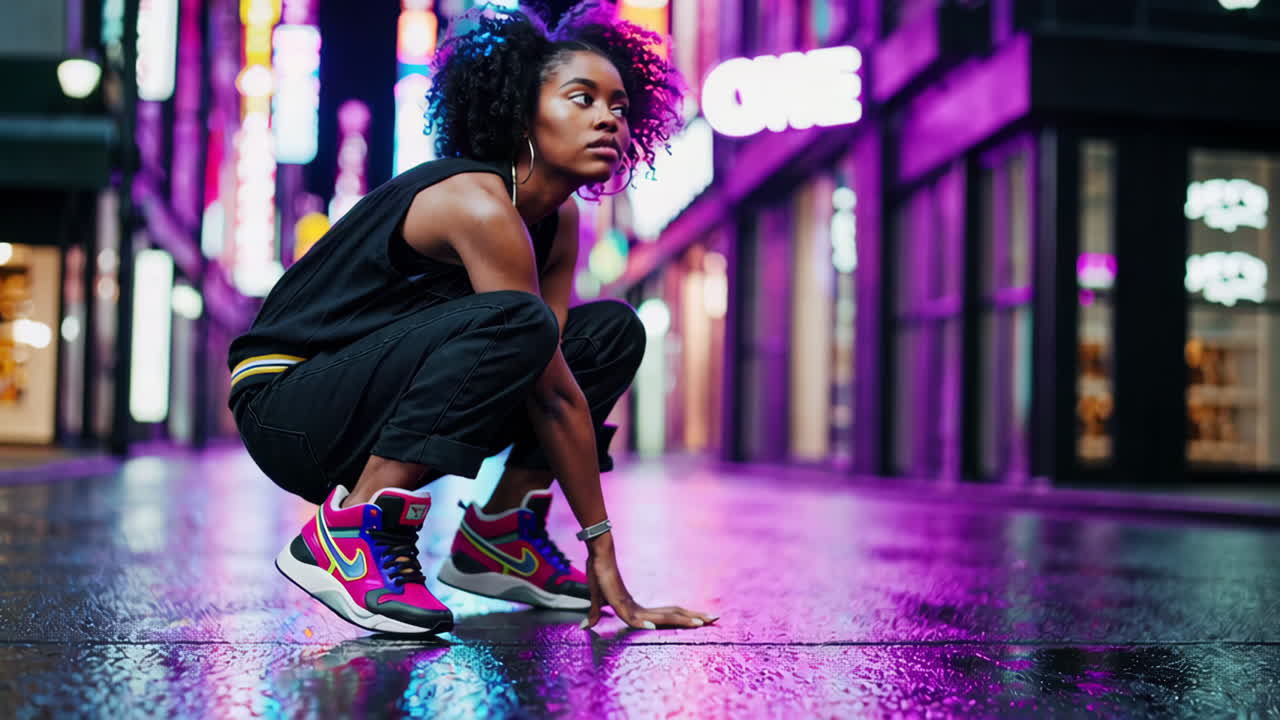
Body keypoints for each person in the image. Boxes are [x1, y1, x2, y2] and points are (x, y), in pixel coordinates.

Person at [227, 4, 716, 636]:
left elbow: (555, 377)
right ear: (521, 112)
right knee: (521, 321)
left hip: (372, 396)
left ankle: (501, 536)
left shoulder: (558, 220)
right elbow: (545, 379)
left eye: (619, 107)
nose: (608, 119)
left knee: (609, 333)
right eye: (581, 98)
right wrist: (604, 554)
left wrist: (600, 546)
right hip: (288, 406)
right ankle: (351, 530)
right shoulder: (476, 204)